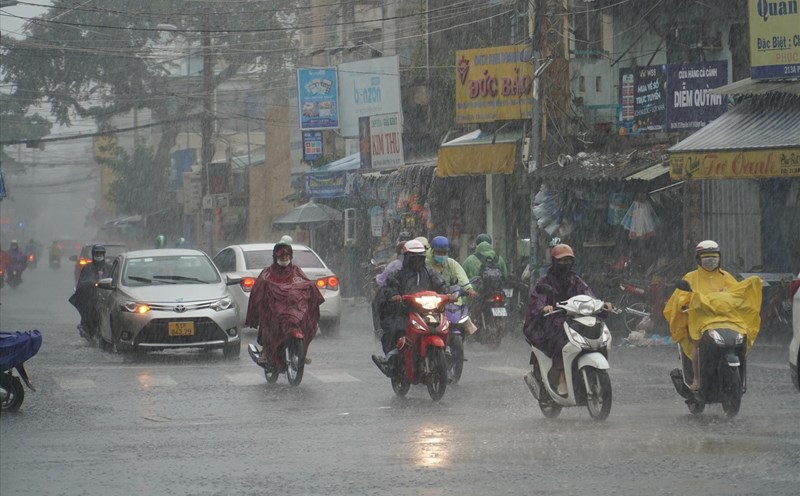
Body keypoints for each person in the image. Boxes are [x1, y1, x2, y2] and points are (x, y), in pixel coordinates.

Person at [522, 244, 611, 396]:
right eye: (562, 261)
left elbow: (589, 295)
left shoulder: (575, 280)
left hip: (574, 320)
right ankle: (562, 377)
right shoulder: (545, 281)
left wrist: (601, 305)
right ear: (554, 261)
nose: (565, 264)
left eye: (568, 260)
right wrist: (544, 308)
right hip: (551, 322)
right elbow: (537, 300)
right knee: (562, 341)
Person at [664, 240, 739, 392]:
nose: (711, 260)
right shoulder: (690, 278)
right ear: (699, 259)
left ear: (719, 258)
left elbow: (738, 293)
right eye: (706, 257)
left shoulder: (726, 277)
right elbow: (679, 298)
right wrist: (685, 304)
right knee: (697, 344)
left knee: (740, 339)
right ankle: (697, 379)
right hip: (701, 321)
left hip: (726, 320)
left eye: (714, 257)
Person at [371, 239, 452, 375]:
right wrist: (394, 295)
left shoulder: (429, 273)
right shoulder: (398, 274)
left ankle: (446, 350)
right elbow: (389, 287)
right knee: (394, 328)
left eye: (420, 257)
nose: (417, 260)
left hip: (427, 311)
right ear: (407, 257)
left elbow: (441, 284)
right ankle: (390, 358)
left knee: (445, 325)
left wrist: (449, 292)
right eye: (414, 257)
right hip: (404, 312)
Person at [245, 241, 325, 368]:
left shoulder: (296, 271)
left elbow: (305, 283)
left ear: (291, 256)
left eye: (286, 255)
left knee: (307, 322)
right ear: (276, 256)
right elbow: (258, 290)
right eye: (281, 255)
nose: (284, 258)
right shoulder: (267, 273)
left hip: (293, 311)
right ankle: (265, 351)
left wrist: (310, 289)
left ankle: (302, 352)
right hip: (274, 311)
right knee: (267, 323)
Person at [427, 235, 478, 333]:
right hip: (430, 300)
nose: (442, 256)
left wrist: (469, 289)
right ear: (433, 252)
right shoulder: (426, 264)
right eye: (439, 253)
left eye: (444, 253)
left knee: (466, 322)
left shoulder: (451, 263)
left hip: (450, 297)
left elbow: (461, 276)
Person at [68, 244, 110, 338]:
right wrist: (91, 283)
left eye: (100, 253)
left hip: (105, 296)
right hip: (91, 296)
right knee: (89, 309)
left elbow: (113, 279)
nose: (98, 255)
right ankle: (86, 326)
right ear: (93, 254)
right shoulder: (87, 267)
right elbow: (82, 282)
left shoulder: (108, 267)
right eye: (97, 253)